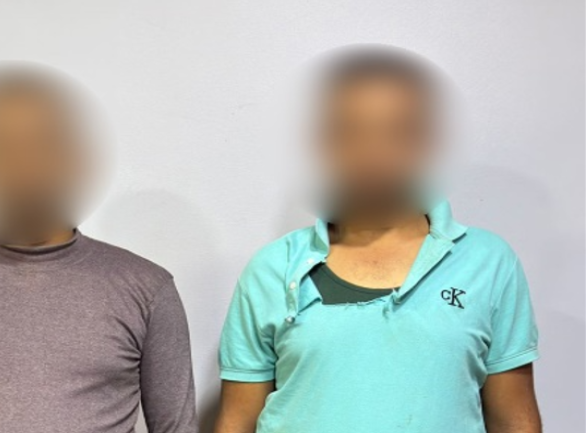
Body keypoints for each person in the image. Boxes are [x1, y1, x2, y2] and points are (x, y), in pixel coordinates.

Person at [214, 45, 541, 433]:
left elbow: (515, 417)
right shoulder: (272, 269)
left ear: (426, 142)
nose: (373, 152)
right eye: (352, 131)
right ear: (325, 143)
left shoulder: (488, 262)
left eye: (396, 131)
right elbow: (236, 420)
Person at [0, 63, 198, 433]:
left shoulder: (147, 288)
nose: (23, 165)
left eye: (42, 143)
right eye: (0, 147)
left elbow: (176, 427)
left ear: (73, 158)